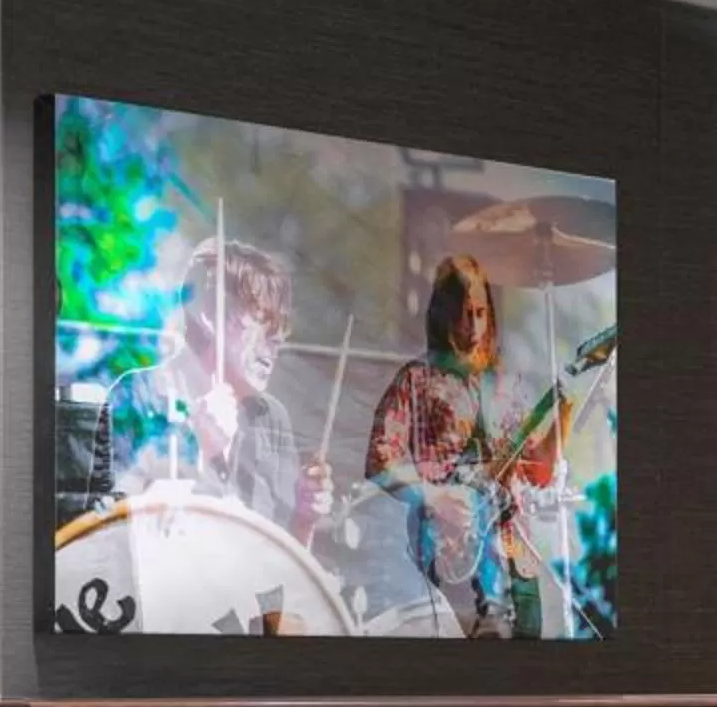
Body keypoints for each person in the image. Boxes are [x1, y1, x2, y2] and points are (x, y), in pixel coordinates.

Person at [364, 254, 570, 638]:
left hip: (514, 553)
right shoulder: (417, 379)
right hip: (450, 552)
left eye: (480, 312)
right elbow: (380, 459)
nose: (473, 324)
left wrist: (567, 407)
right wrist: (433, 496)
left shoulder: (508, 385)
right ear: (443, 315)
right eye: (463, 313)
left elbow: (539, 471)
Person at [107, 236, 334, 542]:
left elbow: (284, 571)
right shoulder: (139, 396)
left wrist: (304, 521)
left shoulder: (270, 417)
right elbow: (107, 538)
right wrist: (196, 450)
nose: (277, 341)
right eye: (261, 321)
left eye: (279, 329)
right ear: (208, 315)